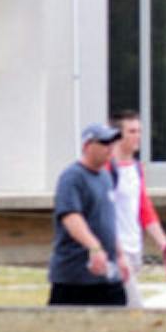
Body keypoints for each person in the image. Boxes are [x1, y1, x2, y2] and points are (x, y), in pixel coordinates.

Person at [48, 123, 126, 306]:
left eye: (112, 142)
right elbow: (71, 217)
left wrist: (120, 255)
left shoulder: (106, 177)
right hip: (75, 277)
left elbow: (108, 220)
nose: (110, 148)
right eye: (104, 142)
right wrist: (95, 248)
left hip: (107, 275)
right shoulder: (72, 177)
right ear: (87, 146)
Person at [108, 109, 166, 306]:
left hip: (134, 247)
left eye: (139, 131)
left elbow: (144, 209)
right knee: (135, 307)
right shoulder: (107, 169)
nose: (138, 136)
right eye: (132, 131)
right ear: (118, 135)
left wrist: (164, 244)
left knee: (120, 307)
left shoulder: (136, 167)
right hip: (115, 249)